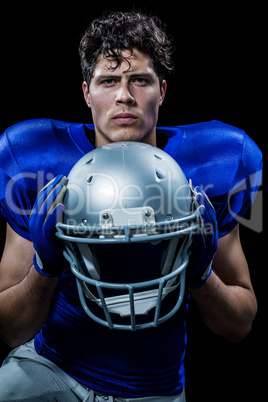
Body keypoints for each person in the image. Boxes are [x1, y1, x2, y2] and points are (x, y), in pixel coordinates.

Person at [0, 10, 262, 401]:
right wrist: (45, 266)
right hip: (52, 367)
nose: (124, 95)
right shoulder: (32, 164)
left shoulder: (221, 163)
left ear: (162, 91)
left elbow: (240, 323)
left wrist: (202, 275)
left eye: (139, 80)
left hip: (152, 387)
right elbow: (9, 328)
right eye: (108, 81)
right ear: (86, 92)